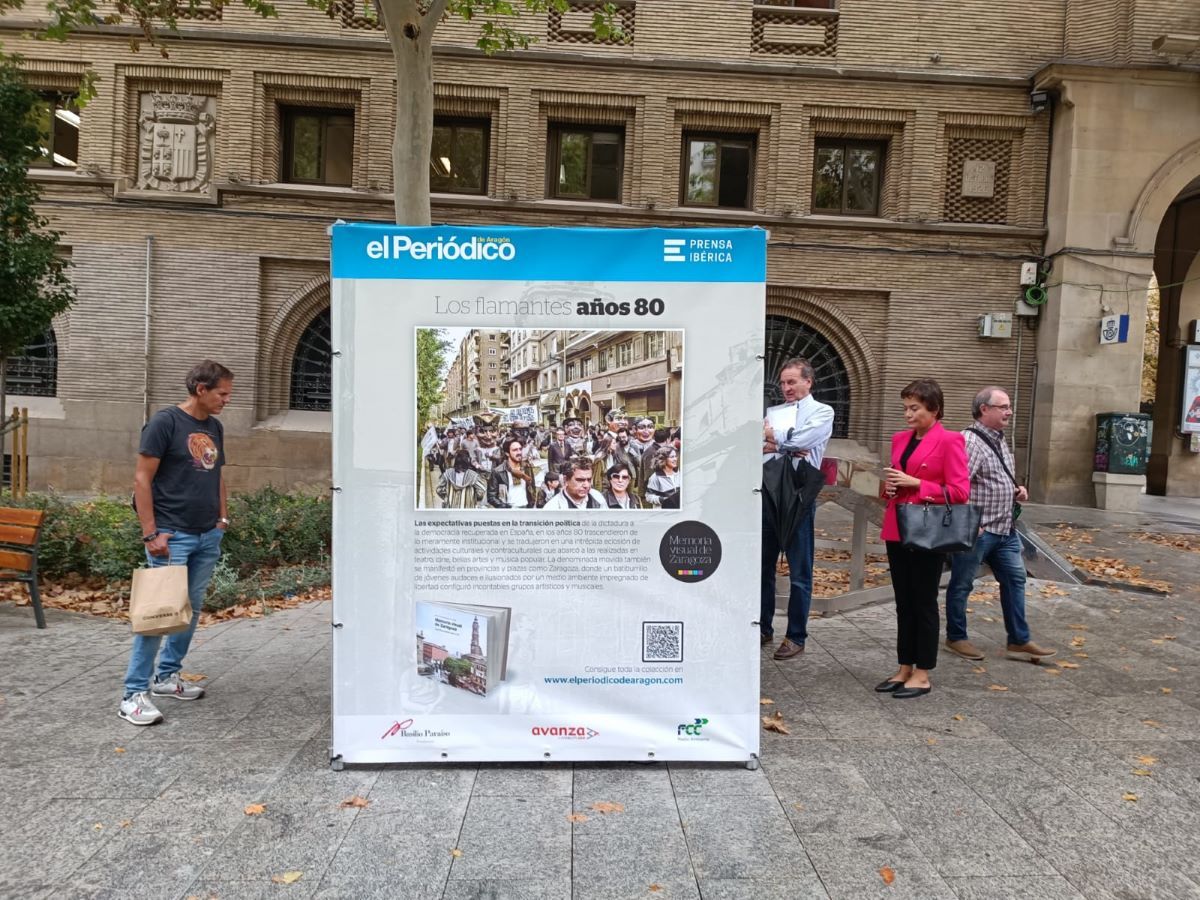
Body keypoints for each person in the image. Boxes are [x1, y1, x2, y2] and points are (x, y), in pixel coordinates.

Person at [120, 360, 233, 726]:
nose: (226, 400)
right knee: (158, 614)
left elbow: (217, 475)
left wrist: (222, 519)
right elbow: (142, 478)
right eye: (222, 393)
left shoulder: (213, 426)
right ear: (201, 388)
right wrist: (151, 532)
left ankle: (167, 677)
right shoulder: (164, 423)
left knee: (189, 609)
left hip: (206, 533)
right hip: (172, 535)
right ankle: (133, 695)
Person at [944, 387, 1056, 662]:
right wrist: (971, 521)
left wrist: (1016, 489)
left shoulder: (999, 439)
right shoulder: (970, 441)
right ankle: (956, 637)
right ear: (984, 409)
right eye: (1003, 406)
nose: (1009, 411)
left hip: (1005, 530)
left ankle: (1018, 640)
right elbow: (958, 485)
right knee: (962, 584)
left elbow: (995, 477)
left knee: (1016, 579)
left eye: (1009, 406)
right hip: (980, 531)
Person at [877, 378, 970, 699]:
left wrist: (917, 484)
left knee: (924, 601)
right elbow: (894, 478)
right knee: (903, 602)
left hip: (928, 530)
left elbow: (960, 492)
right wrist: (888, 487)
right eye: (905, 408)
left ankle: (922, 671)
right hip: (897, 527)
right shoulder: (900, 439)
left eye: (914, 408)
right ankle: (904, 666)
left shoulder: (951, 441)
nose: (908, 414)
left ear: (934, 409)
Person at [760, 358, 835, 660]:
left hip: (800, 495)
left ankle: (796, 636)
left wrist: (773, 441)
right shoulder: (774, 412)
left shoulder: (823, 411)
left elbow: (805, 439)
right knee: (763, 567)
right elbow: (758, 443)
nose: (786, 388)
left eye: (792, 382)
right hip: (769, 490)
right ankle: (763, 628)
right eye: (782, 383)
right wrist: (786, 444)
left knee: (799, 571)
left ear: (808, 381)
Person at [487, 436, 537, 509]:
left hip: (526, 508)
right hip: (509, 510)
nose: (519, 452)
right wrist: (505, 507)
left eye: (520, 449)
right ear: (507, 453)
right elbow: (491, 496)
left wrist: (531, 503)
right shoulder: (498, 471)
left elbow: (532, 487)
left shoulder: (527, 468)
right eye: (515, 450)